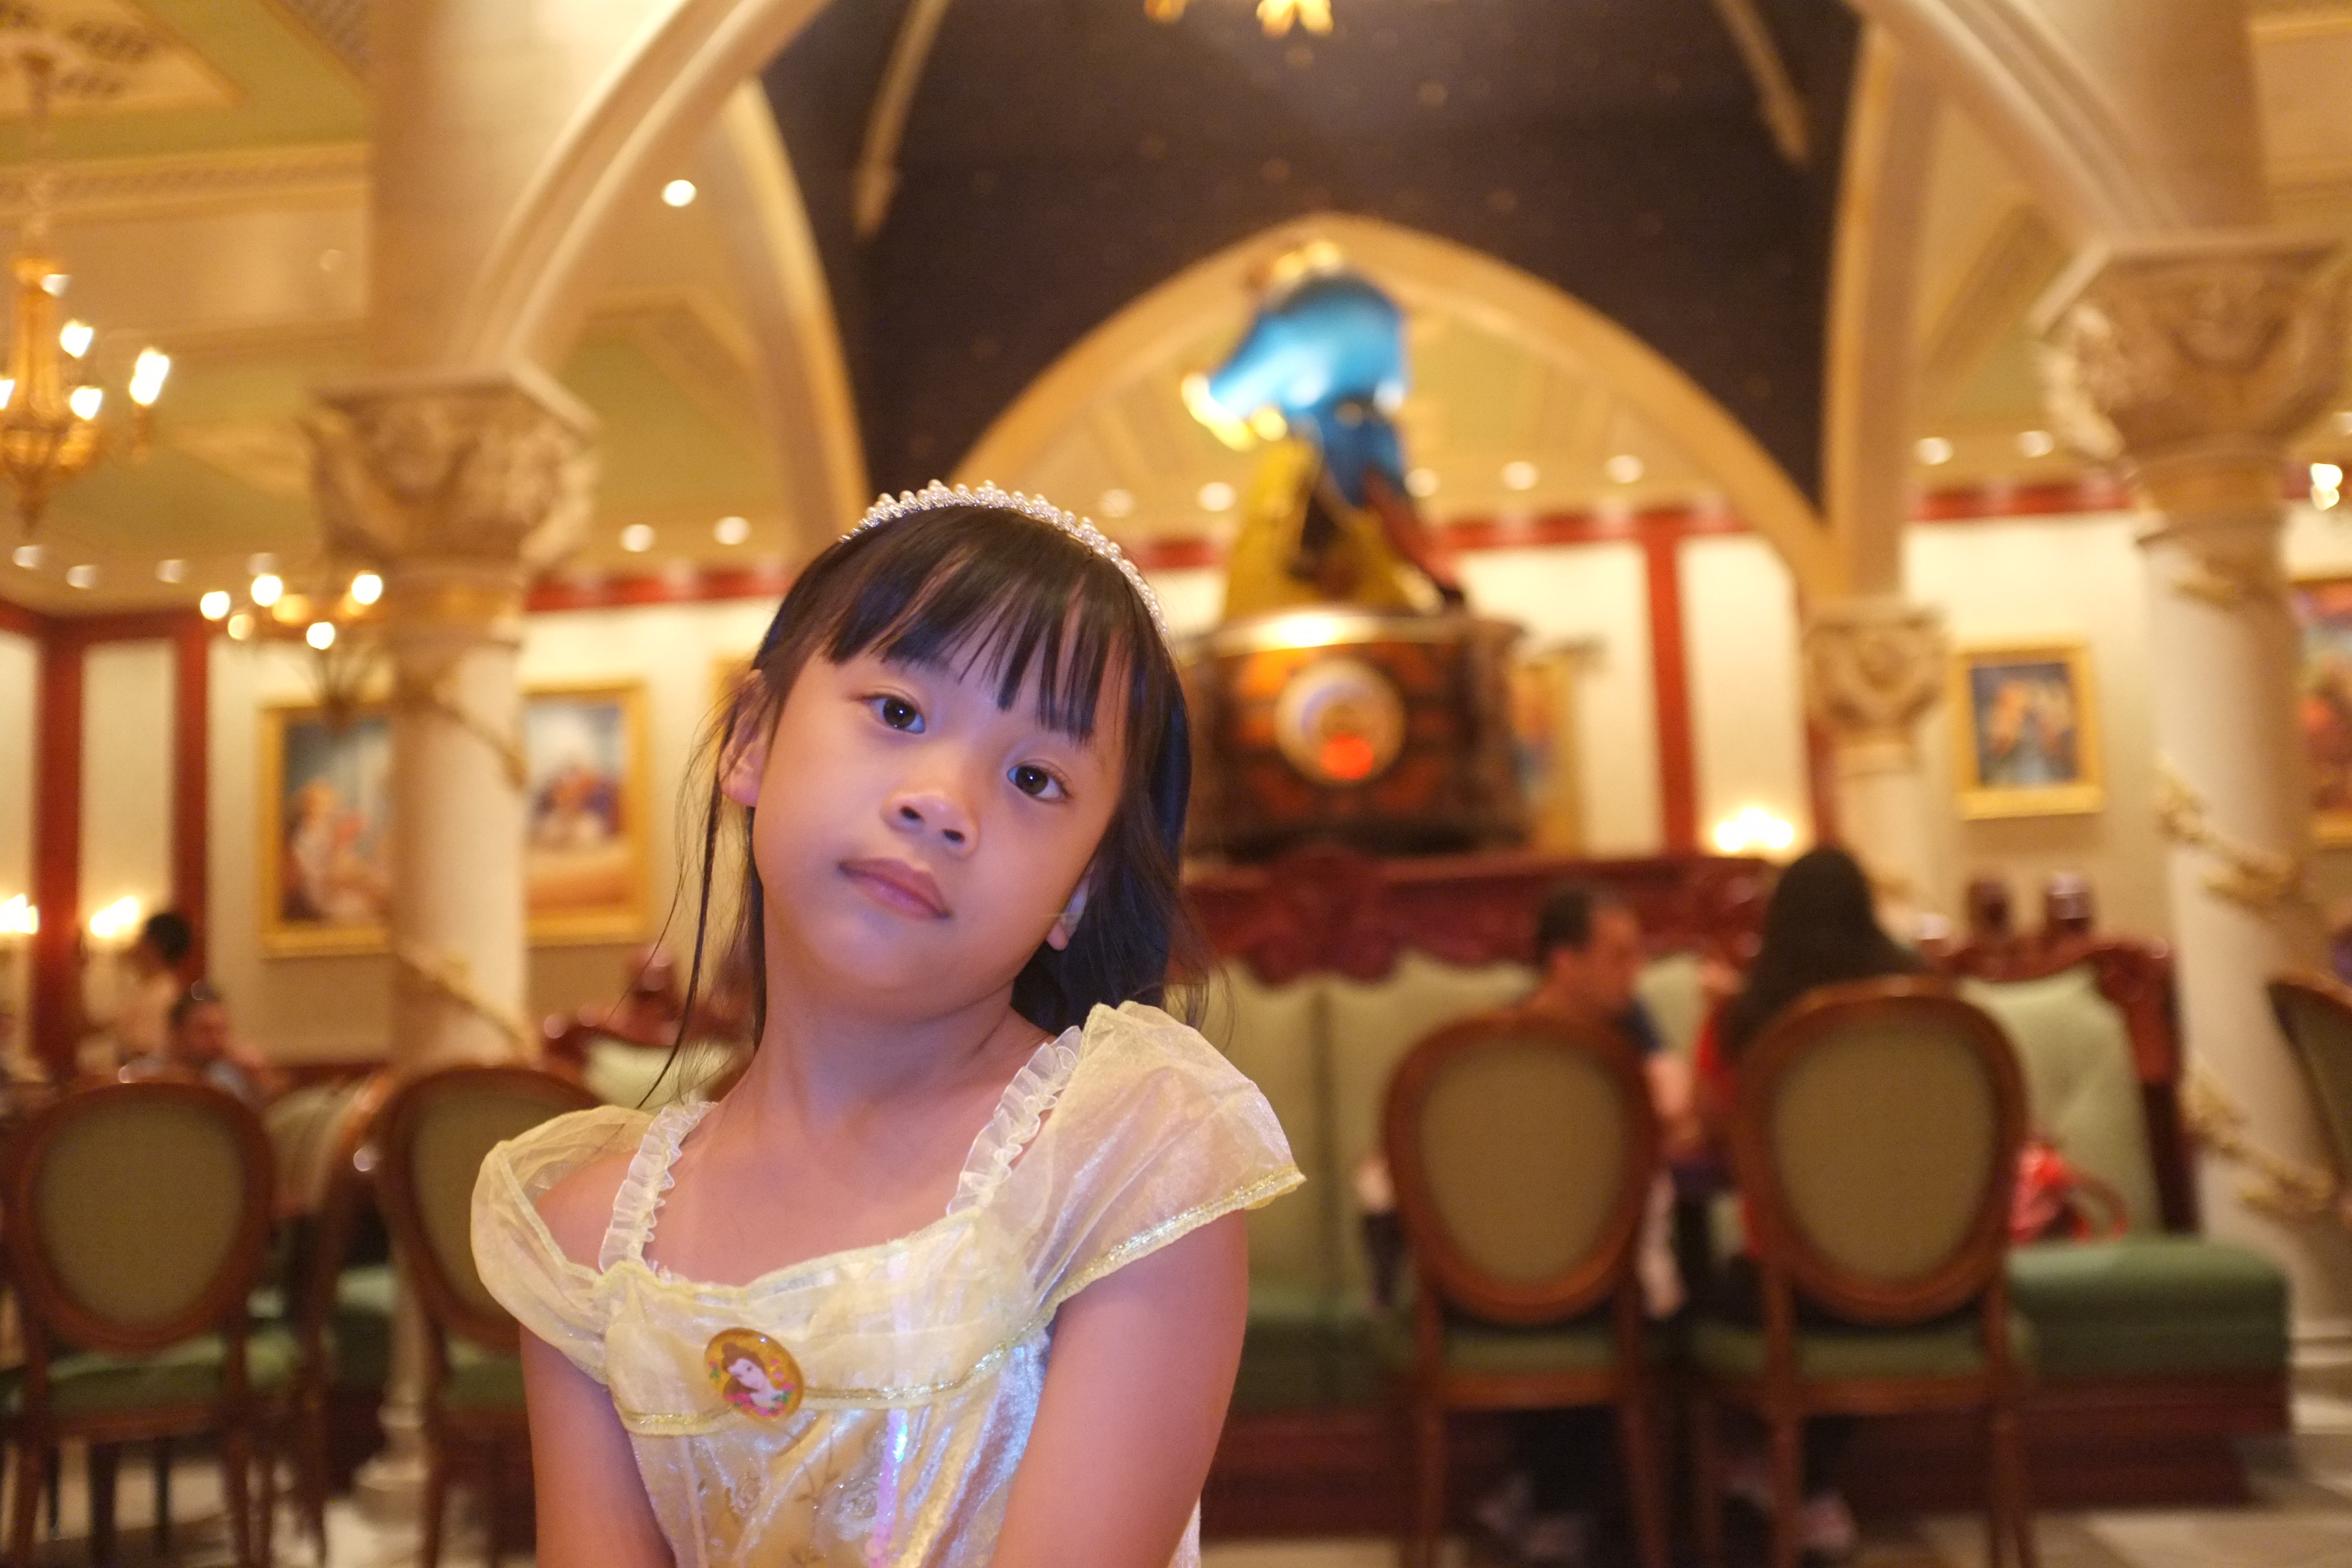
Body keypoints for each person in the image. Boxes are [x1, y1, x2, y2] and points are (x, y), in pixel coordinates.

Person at [471, 482, 1302, 1568]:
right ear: (752, 738)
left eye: (1035, 777)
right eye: (900, 713)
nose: (941, 801)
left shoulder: (1126, 1161)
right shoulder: (592, 1242)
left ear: (1081, 890)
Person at [1691, 845, 1927, 1560]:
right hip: (1932, 1285)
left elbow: (1711, 1130)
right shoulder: (1932, 1008)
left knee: (1698, 1300)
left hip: (1798, 1289)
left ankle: (1764, 1479)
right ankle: (1801, 1484)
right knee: (1842, 1291)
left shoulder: (1746, 1019)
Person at [1474, 885, 1688, 1565]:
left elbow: (1676, 1108)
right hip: (1508, 1271)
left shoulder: (1630, 1025)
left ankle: (1552, 1502)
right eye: (1620, 956)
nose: (1636, 972)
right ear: (1565, 962)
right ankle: (1563, 1505)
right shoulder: (1498, 1043)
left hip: (1590, 1268)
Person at [124, 982, 284, 1106]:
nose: (216, 1039)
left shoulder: (228, 1076)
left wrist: (261, 1077)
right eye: (205, 1030)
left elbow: (269, 1119)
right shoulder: (144, 1075)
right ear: (176, 1033)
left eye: (221, 1030)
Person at [95, 910, 194, 1070]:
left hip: (144, 1082)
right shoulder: (146, 988)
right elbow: (94, 1028)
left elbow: (146, 1054)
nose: (134, 944)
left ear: (153, 945)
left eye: (140, 938)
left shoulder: (163, 995)